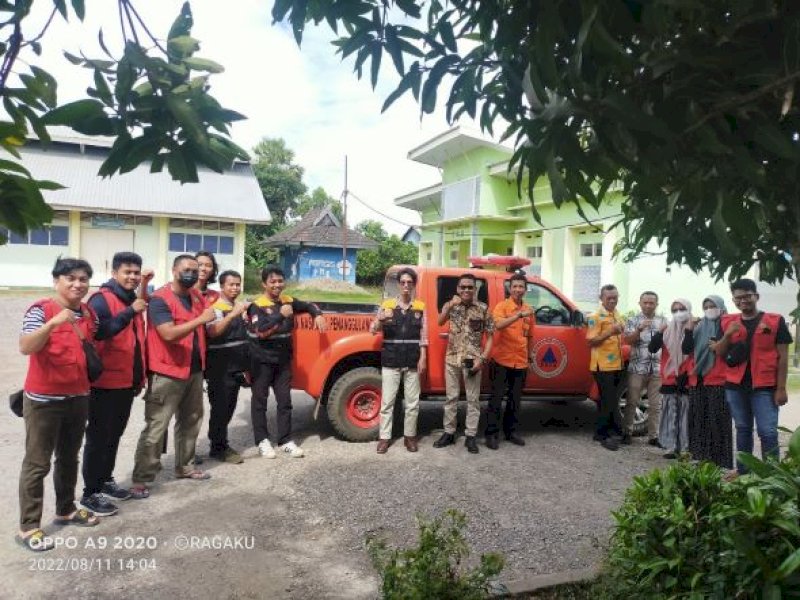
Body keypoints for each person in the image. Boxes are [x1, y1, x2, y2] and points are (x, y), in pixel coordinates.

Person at [17, 258, 101, 552]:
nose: (78, 284)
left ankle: (65, 509)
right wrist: (54, 323)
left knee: (68, 458)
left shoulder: (89, 313)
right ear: (56, 281)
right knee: (37, 463)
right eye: (71, 278)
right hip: (44, 401)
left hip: (78, 397)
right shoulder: (40, 310)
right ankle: (28, 527)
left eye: (83, 279)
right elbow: (26, 346)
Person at [130, 255, 216, 498]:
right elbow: (167, 334)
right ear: (174, 271)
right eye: (187, 269)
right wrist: (200, 320)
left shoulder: (196, 296)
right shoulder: (160, 299)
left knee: (191, 421)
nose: (192, 274)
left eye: (195, 270)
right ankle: (141, 479)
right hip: (167, 372)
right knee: (157, 426)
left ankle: (185, 466)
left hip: (194, 371)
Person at [80, 252, 153, 517]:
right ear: (114, 273)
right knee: (98, 438)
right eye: (127, 272)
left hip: (126, 381)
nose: (132, 277)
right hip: (104, 383)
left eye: (136, 273)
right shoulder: (101, 300)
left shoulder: (131, 298)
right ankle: (90, 493)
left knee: (114, 435)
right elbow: (100, 332)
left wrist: (139, 377)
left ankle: (106, 480)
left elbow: (135, 342)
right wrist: (129, 312)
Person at [246, 266, 326, 458]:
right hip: (261, 361)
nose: (277, 285)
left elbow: (309, 305)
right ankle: (262, 441)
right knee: (260, 402)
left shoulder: (288, 301)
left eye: (280, 281)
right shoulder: (256, 305)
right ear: (264, 284)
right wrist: (281, 315)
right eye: (272, 281)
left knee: (285, 402)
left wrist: (317, 314)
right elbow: (261, 331)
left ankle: (285, 440)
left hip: (283, 361)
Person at [716, 279, 792, 475]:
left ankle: (772, 475)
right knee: (742, 429)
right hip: (735, 385)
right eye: (738, 298)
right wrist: (728, 335)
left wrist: (781, 388)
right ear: (733, 300)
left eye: (747, 296)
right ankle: (744, 473)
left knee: (768, 432)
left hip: (765, 386)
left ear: (756, 296)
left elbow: (783, 357)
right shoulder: (726, 321)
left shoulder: (775, 321)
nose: (743, 300)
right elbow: (719, 352)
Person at [433, 273, 494, 454]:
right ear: (458, 289)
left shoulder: (483, 309)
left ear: (475, 289)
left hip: (472, 360)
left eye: (470, 287)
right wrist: (450, 305)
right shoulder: (451, 305)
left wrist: (482, 359)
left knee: (473, 400)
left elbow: (491, 337)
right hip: (452, 358)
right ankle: (449, 433)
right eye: (463, 287)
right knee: (451, 398)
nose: (466, 290)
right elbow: (440, 322)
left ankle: (471, 436)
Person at [370, 268, 427, 454]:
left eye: (409, 282)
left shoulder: (420, 307)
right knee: (387, 402)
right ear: (398, 285)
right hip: (391, 359)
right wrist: (380, 319)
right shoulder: (387, 305)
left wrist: (423, 358)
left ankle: (410, 437)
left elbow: (424, 336)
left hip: (412, 360)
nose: (406, 286)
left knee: (412, 403)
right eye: (403, 282)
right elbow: (373, 330)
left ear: (414, 285)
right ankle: (384, 438)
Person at [683, 295, 733, 469]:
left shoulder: (727, 325)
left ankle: (721, 462)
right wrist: (688, 331)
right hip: (697, 378)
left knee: (718, 421)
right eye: (706, 307)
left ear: (721, 306)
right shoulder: (699, 326)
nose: (709, 309)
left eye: (713, 306)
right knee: (697, 419)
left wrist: (720, 344)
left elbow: (734, 351)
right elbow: (687, 349)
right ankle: (699, 457)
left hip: (719, 379)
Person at [485, 272, 534, 450]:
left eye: (521, 286)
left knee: (515, 400)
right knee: (496, 399)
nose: (518, 289)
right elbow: (498, 325)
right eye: (515, 286)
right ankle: (491, 434)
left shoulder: (529, 310)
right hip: (501, 360)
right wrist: (518, 315)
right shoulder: (502, 307)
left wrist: (529, 356)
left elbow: (530, 335)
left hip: (520, 362)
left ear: (525, 289)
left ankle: (511, 432)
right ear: (509, 288)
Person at [205, 270, 250, 464]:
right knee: (220, 409)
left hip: (236, 368)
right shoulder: (215, 308)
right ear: (222, 286)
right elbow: (213, 332)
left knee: (229, 407)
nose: (235, 288)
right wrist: (232, 315)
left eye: (238, 284)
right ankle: (218, 447)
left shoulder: (237, 307)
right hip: (220, 369)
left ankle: (219, 443)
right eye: (231, 284)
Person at [648, 298, 694, 458]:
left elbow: (690, 350)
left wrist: (689, 331)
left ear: (689, 309)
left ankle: (685, 448)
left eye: (682, 309)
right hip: (669, 377)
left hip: (688, 377)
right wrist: (659, 332)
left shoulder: (695, 327)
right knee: (670, 413)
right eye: (675, 310)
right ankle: (670, 446)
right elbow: (652, 348)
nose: (678, 313)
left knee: (685, 415)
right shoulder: (667, 328)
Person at [622, 291, 667, 446]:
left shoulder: (663, 321)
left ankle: (653, 436)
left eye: (651, 303)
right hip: (637, 368)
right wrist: (639, 330)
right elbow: (627, 340)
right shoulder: (633, 320)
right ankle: (627, 432)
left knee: (656, 405)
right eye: (645, 302)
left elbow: (669, 343)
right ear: (640, 303)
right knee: (631, 402)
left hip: (657, 369)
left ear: (656, 304)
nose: (648, 305)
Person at [586, 284, 626, 451]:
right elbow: (591, 341)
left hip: (616, 363)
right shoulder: (595, 317)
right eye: (609, 298)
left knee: (609, 400)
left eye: (615, 298)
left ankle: (602, 433)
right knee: (608, 400)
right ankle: (607, 434)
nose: (612, 301)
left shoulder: (616, 313)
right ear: (601, 298)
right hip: (602, 365)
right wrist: (609, 332)